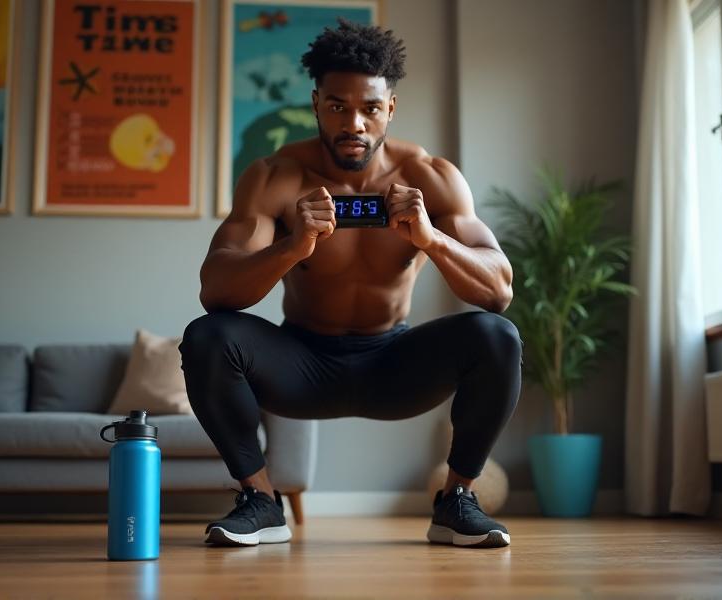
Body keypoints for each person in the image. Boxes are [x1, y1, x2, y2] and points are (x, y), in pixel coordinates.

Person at [179, 20, 522, 549]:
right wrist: (291, 246)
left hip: (394, 363)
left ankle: (456, 501)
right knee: (208, 336)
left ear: (391, 108)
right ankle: (262, 502)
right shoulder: (275, 175)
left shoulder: (430, 176)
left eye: (369, 108)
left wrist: (431, 240)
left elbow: (498, 291)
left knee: (497, 336)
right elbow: (216, 292)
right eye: (338, 106)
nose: (354, 123)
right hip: (301, 363)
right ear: (316, 104)